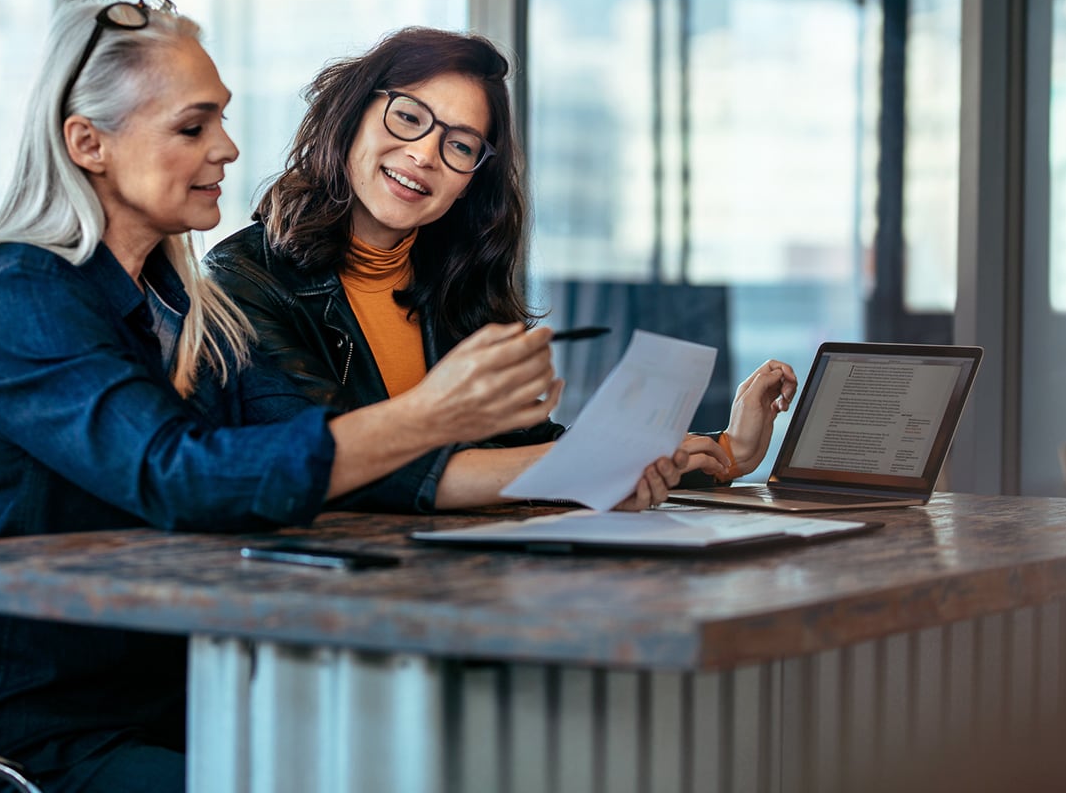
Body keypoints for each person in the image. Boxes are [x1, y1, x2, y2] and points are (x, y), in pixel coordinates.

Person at [0, 0, 686, 793]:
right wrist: (432, 414)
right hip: (28, 739)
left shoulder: (183, 304)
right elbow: (182, 477)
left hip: (174, 702)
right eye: (193, 127)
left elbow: (323, 454)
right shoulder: (15, 293)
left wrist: (597, 466)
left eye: (223, 121)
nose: (229, 150)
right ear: (88, 143)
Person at [205, 27, 798, 511]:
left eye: (460, 145)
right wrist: (593, 466)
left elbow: (524, 449)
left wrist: (727, 450)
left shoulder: (452, 283)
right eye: (408, 117)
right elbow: (336, 466)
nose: (424, 154)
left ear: (470, 182)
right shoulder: (242, 281)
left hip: (453, 583)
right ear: (352, 115)